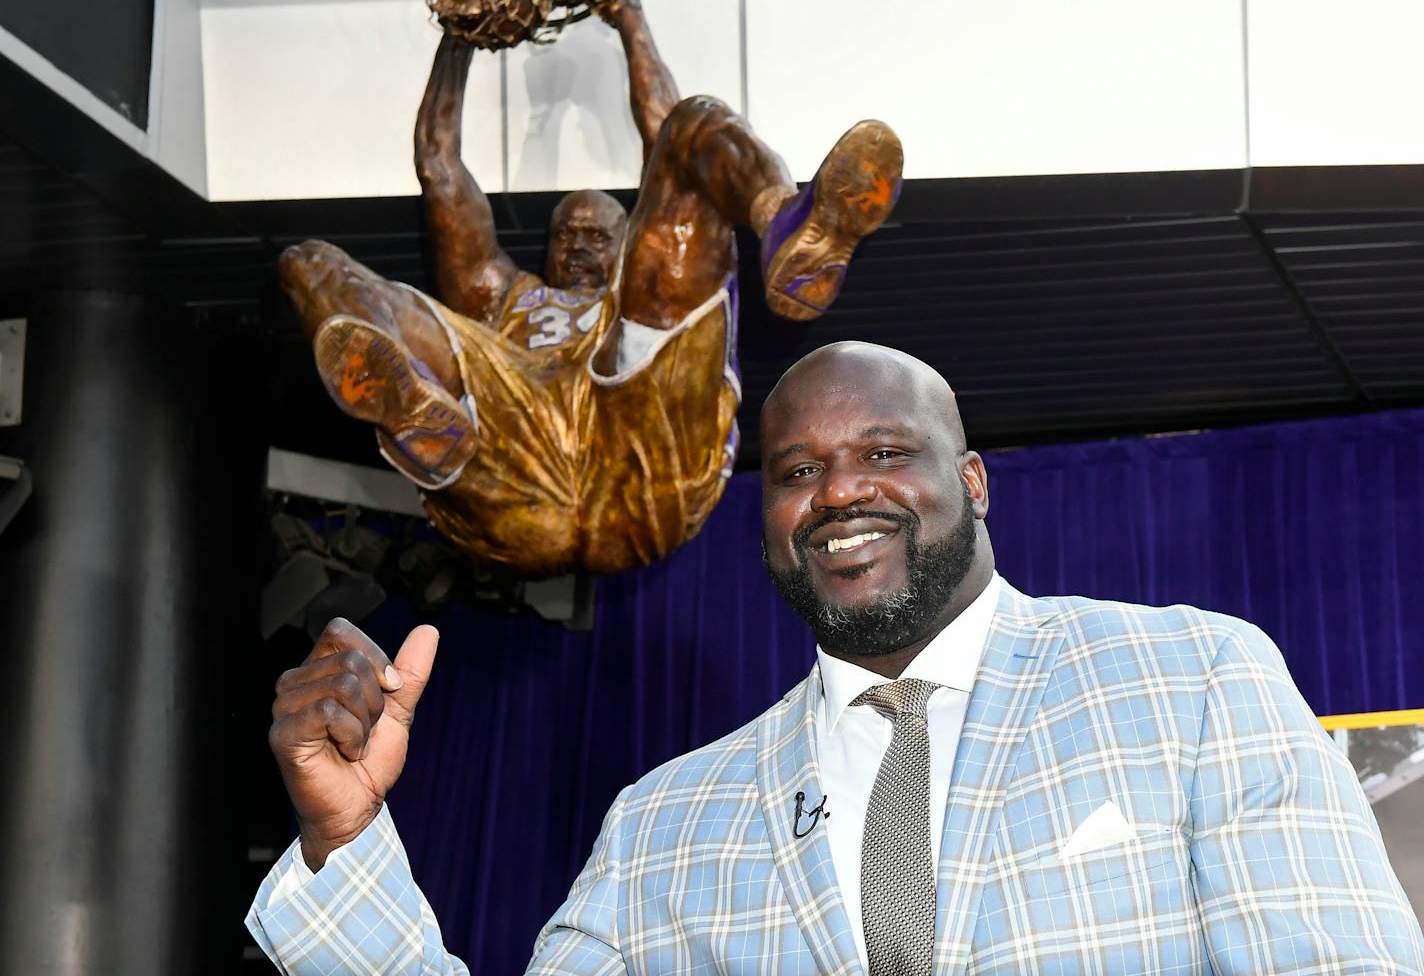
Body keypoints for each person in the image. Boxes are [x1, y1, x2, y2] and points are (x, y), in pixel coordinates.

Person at [248, 341, 1424, 973]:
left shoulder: (1194, 680)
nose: (837, 490)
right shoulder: (667, 822)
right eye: (798, 470)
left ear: (968, 482)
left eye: (881, 450)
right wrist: (344, 839)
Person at [278, 0, 904, 576]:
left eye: (596, 233)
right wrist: (458, 32)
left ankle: (787, 227)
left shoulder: (636, 294)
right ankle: (422, 419)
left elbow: (668, 133)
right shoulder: (500, 297)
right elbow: (438, 166)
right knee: (309, 266)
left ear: (625, 245)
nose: (577, 244)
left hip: (641, 459)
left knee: (692, 124)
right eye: (565, 233)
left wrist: (628, 13)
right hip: (514, 461)